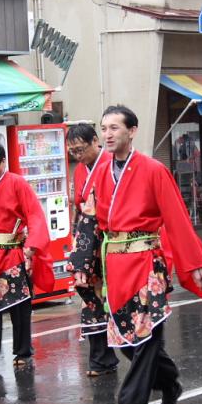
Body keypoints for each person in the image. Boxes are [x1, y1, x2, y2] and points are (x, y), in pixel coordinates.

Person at [69, 105, 202, 404]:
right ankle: (169, 383)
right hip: (115, 266)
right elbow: (88, 220)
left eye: (115, 128)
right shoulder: (99, 173)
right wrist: (81, 265)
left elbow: (176, 218)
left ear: (132, 131)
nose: (108, 134)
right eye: (104, 128)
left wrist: (194, 263)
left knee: (144, 337)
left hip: (147, 264)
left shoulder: (153, 170)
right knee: (127, 342)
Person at [0, 142, 55, 368]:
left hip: (12, 251)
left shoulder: (17, 183)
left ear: (3, 162)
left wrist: (31, 246)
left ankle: (23, 351)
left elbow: (34, 214)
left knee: (19, 304)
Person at [64, 124, 119, 377]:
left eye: (80, 149)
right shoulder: (80, 170)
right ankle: (101, 359)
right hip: (86, 241)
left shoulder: (110, 165)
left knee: (111, 299)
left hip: (107, 241)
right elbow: (79, 208)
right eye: (73, 151)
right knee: (90, 298)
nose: (78, 155)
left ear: (95, 141)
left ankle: (126, 354)